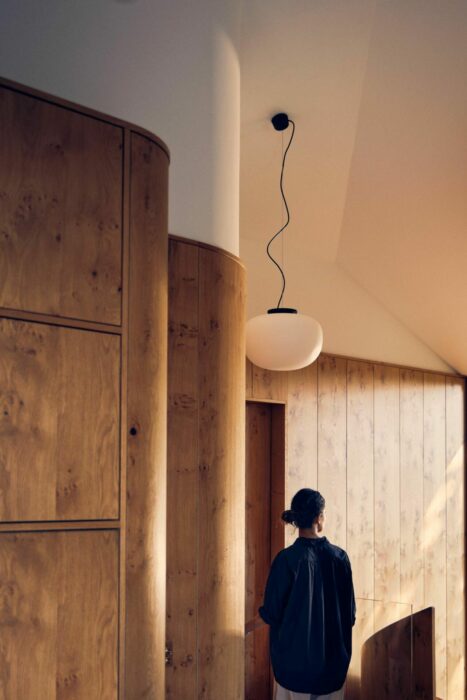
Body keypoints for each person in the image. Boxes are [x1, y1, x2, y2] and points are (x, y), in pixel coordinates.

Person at [258, 488, 356, 700]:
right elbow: (350, 616)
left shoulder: (286, 560)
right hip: (332, 669)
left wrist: (244, 629)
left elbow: (271, 614)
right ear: (319, 518)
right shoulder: (340, 558)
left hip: (293, 669)